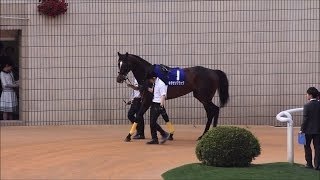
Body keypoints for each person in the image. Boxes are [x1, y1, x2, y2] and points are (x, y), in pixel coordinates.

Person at [145, 73, 174, 144]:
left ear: (153, 78)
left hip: (158, 104)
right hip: (154, 103)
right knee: (152, 122)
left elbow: (163, 95)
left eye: (150, 80)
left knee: (152, 122)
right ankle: (159, 136)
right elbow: (155, 91)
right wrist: (146, 88)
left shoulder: (161, 83)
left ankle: (161, 135)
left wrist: (161, 106)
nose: (150, 81)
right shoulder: (155, 83)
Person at [300, 87, 320, 170]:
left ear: (310, 95)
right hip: (318, 130)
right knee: (318, 147)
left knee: (307, 146)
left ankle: (309, 164)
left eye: (307, 94)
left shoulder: (307, 105)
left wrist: (302, 129)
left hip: (307, 130)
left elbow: (305, 119)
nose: (306, 95)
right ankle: (317, 165)